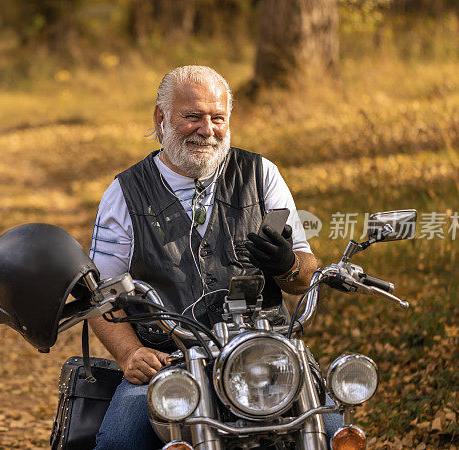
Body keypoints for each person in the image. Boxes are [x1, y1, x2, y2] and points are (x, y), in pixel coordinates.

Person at [88, 65, 332, 449]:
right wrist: (131, 352)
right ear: (161, 117)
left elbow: (305, 275)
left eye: (218, 118)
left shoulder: (261, 174)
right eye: (193, 116)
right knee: (119, 442)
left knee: (333, 433)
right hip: (170, 362)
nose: (207, 129)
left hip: (265, 353)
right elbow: (99, 294)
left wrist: (288, 265)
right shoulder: (124, 192)